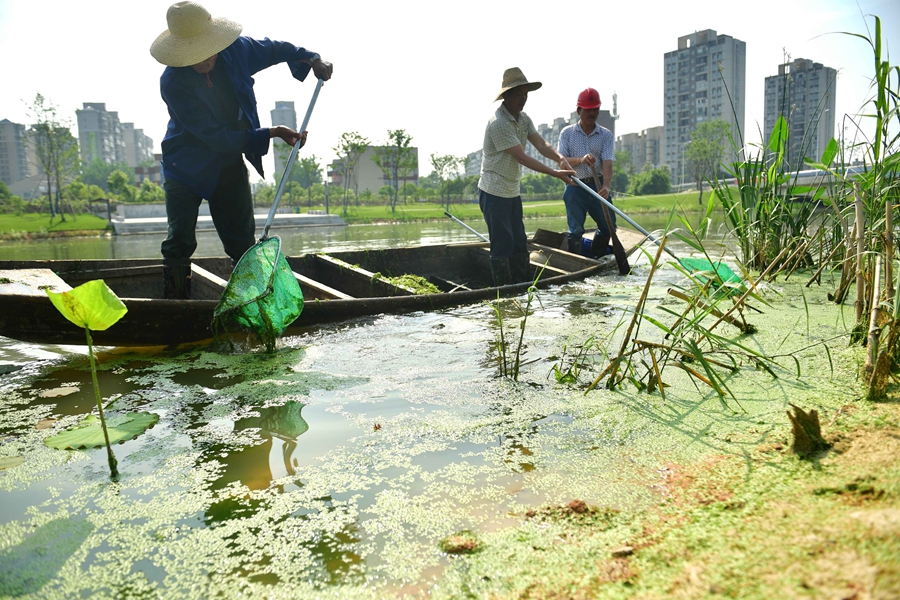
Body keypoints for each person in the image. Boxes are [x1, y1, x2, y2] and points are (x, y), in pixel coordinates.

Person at [149, 1, 333, 299]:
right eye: (191, 55)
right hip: (185, 164)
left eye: (205, 52)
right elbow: (216, 137)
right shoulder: (172, 82)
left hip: (228, 161)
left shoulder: (238, 50)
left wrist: (312, 58)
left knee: (241, 241)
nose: (200, 61)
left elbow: (276, 49)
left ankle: (250, 298)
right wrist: (272, 133)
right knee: (180, 240)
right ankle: (177, 301)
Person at [477, 68, 575, 286]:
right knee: (502, 245)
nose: (523, 99)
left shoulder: (524, 119)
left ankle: (522, 289)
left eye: (525, 95)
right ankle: (503, 292)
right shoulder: (499, 123)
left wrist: (560, 158)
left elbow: (541, 144)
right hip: (493, 192)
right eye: (518, 94)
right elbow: (521, 157)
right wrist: (554, 173)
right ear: (506, 96)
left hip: (511, 191)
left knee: (520, 243)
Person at [557, 87, 616, 257]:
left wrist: (606, 185)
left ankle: (595, 257)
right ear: (578, 111)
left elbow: (608, 162)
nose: (592, 113)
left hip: (597, 185)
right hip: (576, 185)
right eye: (588, 110)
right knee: (575, 230)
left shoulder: (606, 135)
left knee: (608, 226)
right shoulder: (567, 133)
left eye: (595, 110)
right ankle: (575, 263)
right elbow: (562, 161)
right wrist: (581, 160)